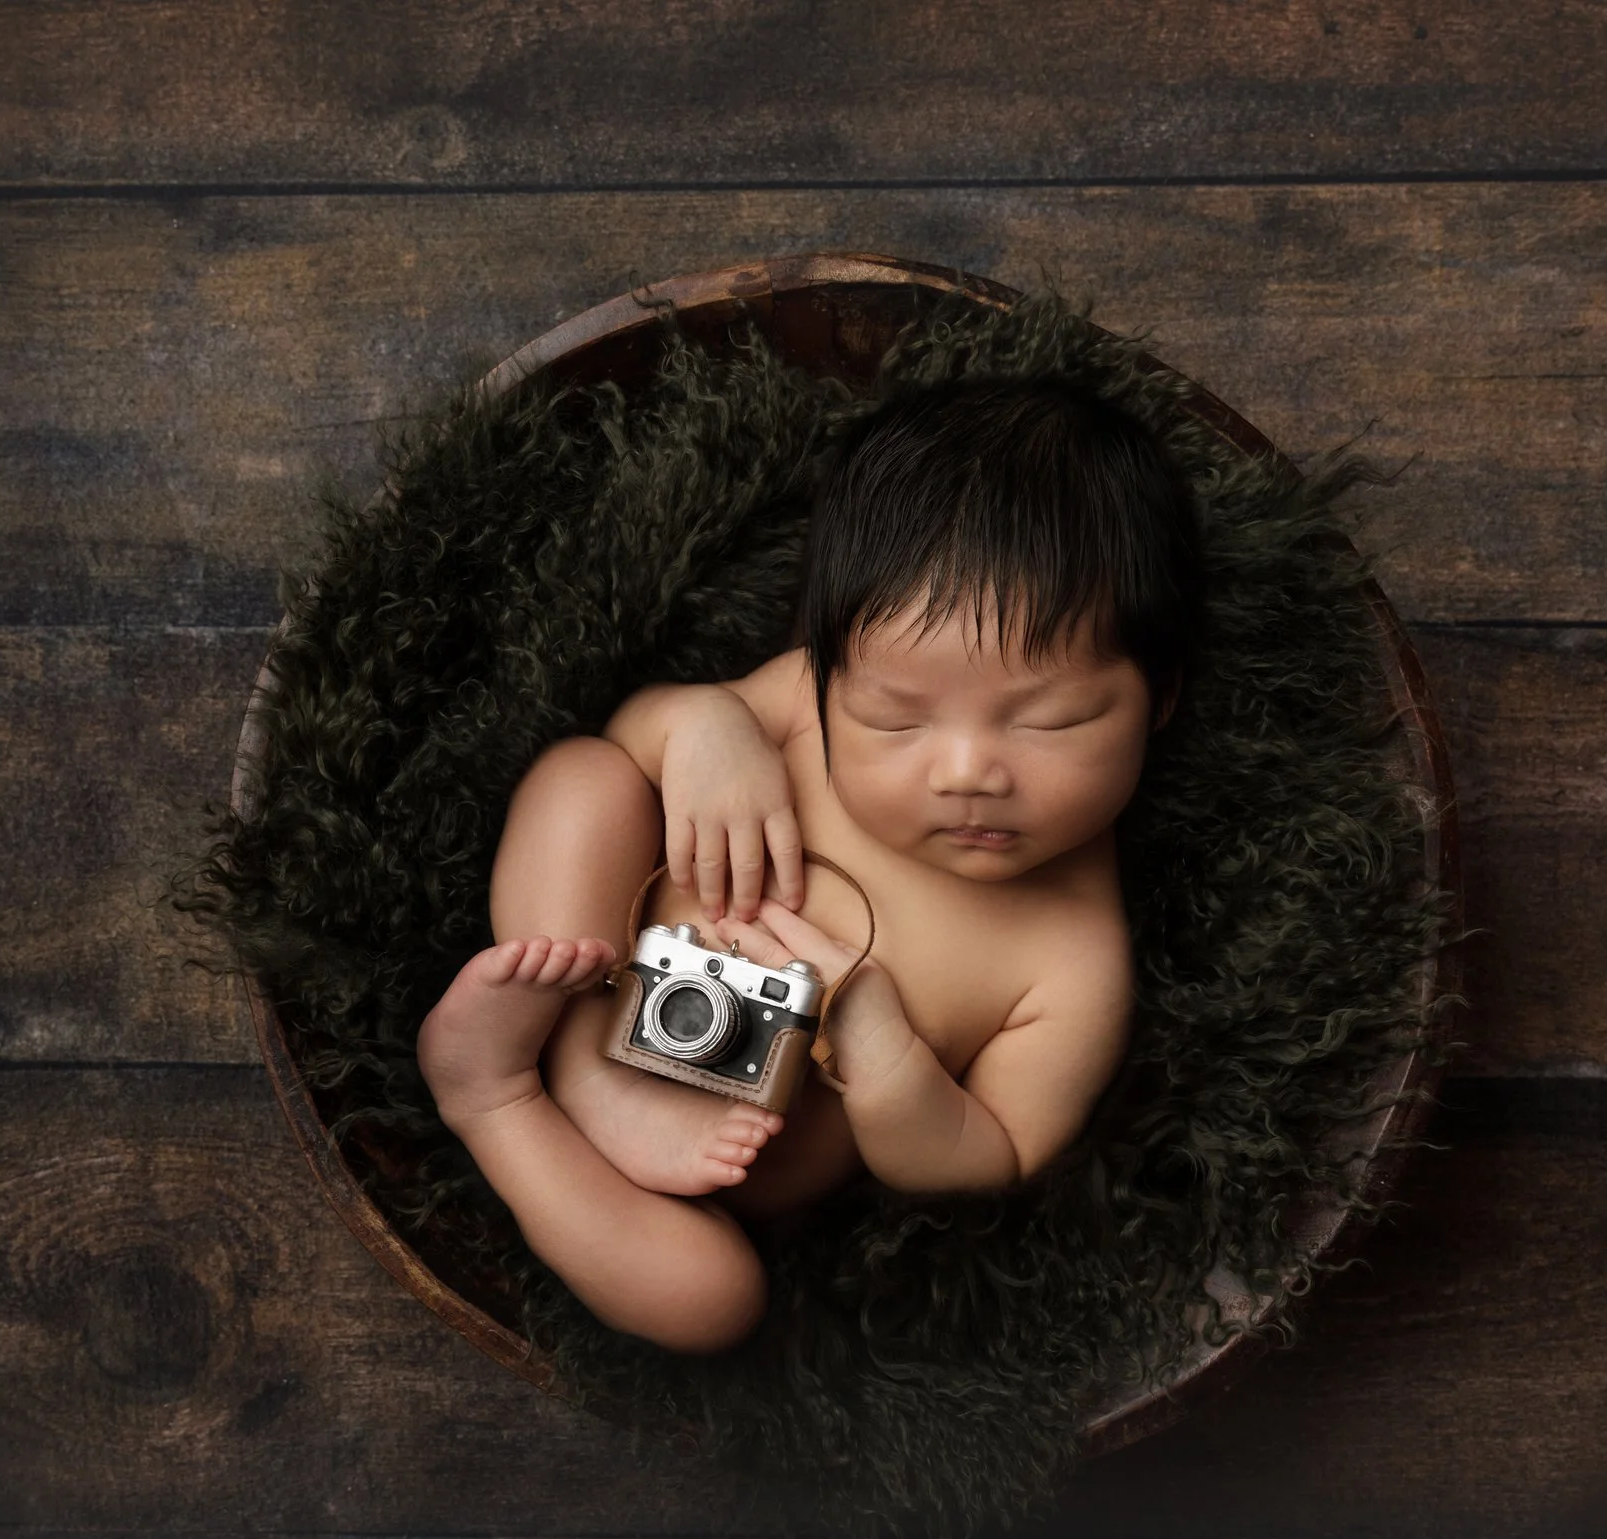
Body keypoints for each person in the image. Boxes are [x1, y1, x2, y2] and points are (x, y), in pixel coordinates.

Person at [415, 376, 1205, 1354]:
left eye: (1051, 719)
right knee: (586, 781)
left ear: (1159, 695)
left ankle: (495, 1101)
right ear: (829, 670)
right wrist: (703, 727)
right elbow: (638, 737)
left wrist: (877, 1041)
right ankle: (576, 1068)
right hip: (578, 988)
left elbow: (988, 1154)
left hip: (708, 1177)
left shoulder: (1071, 961)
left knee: (710, 1301)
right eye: (893, 718)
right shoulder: (798, 698)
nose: (966, 772)